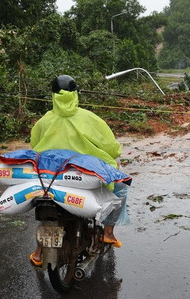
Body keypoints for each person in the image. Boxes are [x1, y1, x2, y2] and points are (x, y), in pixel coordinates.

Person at [28, 74, 124, 266]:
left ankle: (39, 253)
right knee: (121, 187)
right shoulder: (89, 119)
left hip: (51, 177)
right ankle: (108, 233)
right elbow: (111, 148)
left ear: (53, 96)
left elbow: (34, 144)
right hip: (83, 175)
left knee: (47, 205)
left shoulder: (44, 121)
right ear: (76, 94)